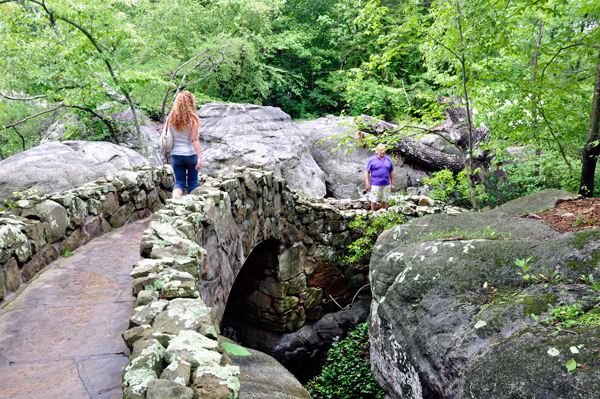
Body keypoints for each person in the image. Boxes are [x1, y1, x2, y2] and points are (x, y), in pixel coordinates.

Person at [167, 91, 202, 198]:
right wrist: (199, 157)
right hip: (190, 155)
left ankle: (174, 205)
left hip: (176, 155)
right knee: (192, 183)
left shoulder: (171, 118)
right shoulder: (192, 119)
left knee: (179, 183)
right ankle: (190, 209)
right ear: (191, 102)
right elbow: (194, 139)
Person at [365, 144, 395, 211]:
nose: (383, 151)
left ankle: (383, 215)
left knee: (384, 200)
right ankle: (373, 215)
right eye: (381, 150)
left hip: (386, 183)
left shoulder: (388, 159)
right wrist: (367, 183)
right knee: (374, 200)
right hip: (375, 183)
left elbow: (391, 171)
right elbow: (367, 171)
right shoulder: (372, 159)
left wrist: (392, 183)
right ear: (377, 151)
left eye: (384, 150)